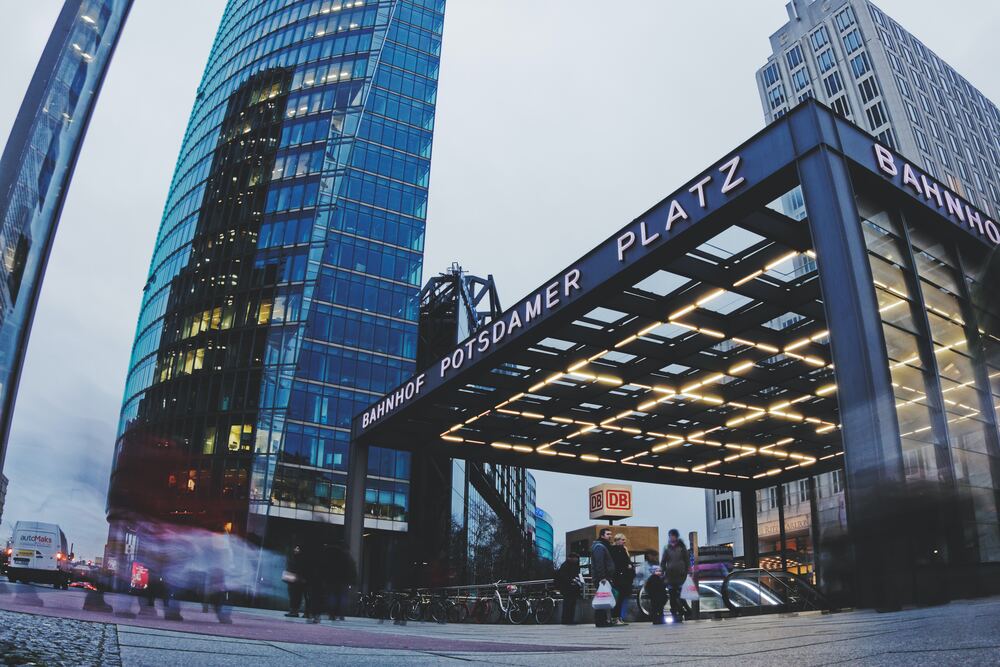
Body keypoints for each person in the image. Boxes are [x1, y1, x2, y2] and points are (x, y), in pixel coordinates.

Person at [660, 529, 690, 623]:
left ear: (676, 537)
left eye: (672, 535)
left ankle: (681, 612)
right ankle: (675, 613)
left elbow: (687, 560)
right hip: (670, 576)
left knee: (680, 595)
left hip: (680, 575)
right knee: (672, 596)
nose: (671, 537)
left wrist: (687, 571)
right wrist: (663, 571)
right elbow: (663, 561)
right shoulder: (667, 548)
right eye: (670, 536)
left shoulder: (682, 548)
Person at [590, 527, 616, 628]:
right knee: (602, 598)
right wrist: (602, 577)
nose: (610, 536)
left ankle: (602, 620)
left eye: (610, 534)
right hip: (602, 578)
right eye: (608, 534)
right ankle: (601, 621)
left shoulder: (601, 546)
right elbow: (599, 563)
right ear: (602, 535)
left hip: (603, 577)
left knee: (603, 598)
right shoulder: (600, 547)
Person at [609, 533, 635, 625]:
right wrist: (627, 566)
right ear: (617, 540)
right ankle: (615, 617)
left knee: (621, 599)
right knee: (618, 599)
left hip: (624, 578)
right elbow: (619, 563)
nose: (624, 541)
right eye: (622, 540)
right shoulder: (615, 550)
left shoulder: (623, 549)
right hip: (619, 578)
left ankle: (618, 617)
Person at [554, 554, 583, 625]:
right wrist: (572, 580)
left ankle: (570, 620)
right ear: (571, 558)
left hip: (572, 588)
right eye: (576, 558)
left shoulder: (572, 565)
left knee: (571, 604)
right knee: (568, 604)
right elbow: (563, 577)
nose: (577, 560)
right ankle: (566, 620)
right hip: (567, 588)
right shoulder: (565, 565)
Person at [284, 544, 306, 617]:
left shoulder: (295, 549)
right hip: (293, 575)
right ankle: (293, 610)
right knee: (293, 593)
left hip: (295, 575)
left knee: (295, 594)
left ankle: (294, 611)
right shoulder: (294, 551)